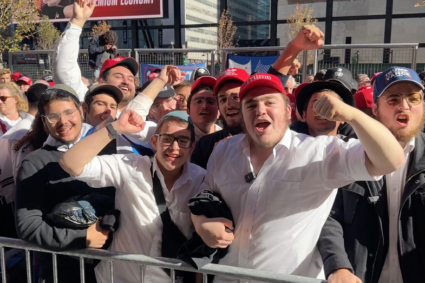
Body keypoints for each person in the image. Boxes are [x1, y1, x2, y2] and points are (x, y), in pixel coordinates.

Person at [191, 25, 405, 283]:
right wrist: (201, 222)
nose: (260, 110)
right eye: (251, 105)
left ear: (288, 111)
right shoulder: (223, 151)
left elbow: (391, 159)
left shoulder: (319, 153)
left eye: (269, 102)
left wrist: (352, 115)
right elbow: (203, 195)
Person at [59, 110, 206, 283]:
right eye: (167, 139)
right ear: (154, 141)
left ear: (192, 147)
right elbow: (70, 163)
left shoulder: (201, 180)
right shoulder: (131, 167)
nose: (174, 148)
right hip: (119, 278)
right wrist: (116, 127)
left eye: (183, 141)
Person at [318, 67, 425, 283]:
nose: (404, 106)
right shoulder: (349, 155)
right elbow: (328, 215)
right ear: (374, 108)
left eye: (413, 98)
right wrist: (338, 265)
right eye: (393, 99)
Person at [15, 84, 115, 283]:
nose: (63, 121)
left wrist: (108, 226)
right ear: (44, 123)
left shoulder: (107, 149)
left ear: (81, 111)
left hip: (112, 267)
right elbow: (28, 226)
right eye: (53, 116)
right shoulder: (34, 163)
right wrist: (81, 237)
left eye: (69, 112)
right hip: (62, 270)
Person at [53, 0, 138, 110]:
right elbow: (65, 69)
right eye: (118, 76)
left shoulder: (139, 114)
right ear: (101, 81)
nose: (126, 82)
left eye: (131, 79)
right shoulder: (87, 101)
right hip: (97, 67)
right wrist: (77, 22)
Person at [190, 68, 249, 169]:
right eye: (223, 99)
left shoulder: (267, 139)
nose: (229, 105)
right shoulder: (205, 146)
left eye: (236, 97)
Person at [291, 80, 355, 138]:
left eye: (331, 105)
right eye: (316, 105)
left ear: (342, 117)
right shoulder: (290, 144)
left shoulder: (351, 147)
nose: (323, 110)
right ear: (304, 115)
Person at [187, 76, 222, 141]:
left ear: (219, 111)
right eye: (198, 101)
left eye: (210, 102)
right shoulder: (181, 138)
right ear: (188, 111)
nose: (204, 106)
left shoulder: (228, 139)